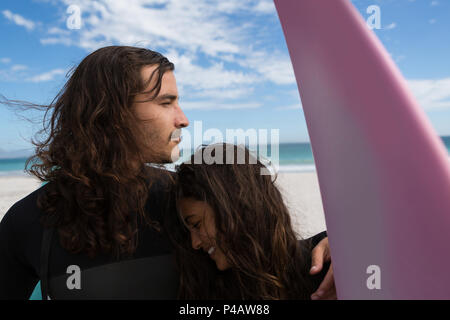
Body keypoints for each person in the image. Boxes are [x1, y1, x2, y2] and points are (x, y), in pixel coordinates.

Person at [0, 46, 334, 299]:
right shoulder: (28, 222)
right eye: (166, 102)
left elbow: (272, 259)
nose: (183, 119)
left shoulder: (183, 200)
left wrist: (332, 245)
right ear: (112, 114)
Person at [165, 143, 332, 299]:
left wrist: (353, 254)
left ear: (235, 208)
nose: (195, 243)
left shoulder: (326, 264)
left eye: (196, 224)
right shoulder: (212, 288)